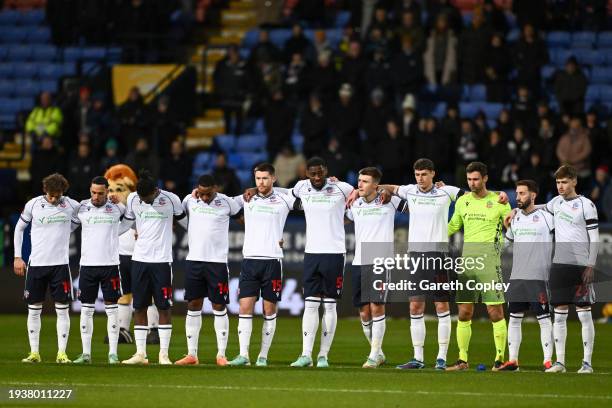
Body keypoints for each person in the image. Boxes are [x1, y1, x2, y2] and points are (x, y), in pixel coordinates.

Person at [376, 159, 508, 370]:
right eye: (417, 174)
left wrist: (499, 193)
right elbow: (390, 187)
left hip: (439, 255)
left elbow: (474, 194)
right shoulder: (410, 191)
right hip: (415, 256)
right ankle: (417, 358)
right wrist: (372, 189)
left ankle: (441, 358)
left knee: (441, 305)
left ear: (433, 174)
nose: (420, 179)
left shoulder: (446, 191)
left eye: (424, 175)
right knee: (415, 305)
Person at [228, 163, 299, 366]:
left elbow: (307, 197)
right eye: (257, 178)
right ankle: (243, 355)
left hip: (272, 260)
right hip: (250, 260)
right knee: (244, 306)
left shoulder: (284, 199)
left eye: (265, 178)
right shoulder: (247, 198)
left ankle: (263, 356)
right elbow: (223, 203)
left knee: (269, 310)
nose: (261, 182)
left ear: (273, 179)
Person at [287, 157, 356, 368]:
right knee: (310, 303)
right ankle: (306, 354)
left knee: (329, 304)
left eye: (320, 173)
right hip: (311, 253)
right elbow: (278, 194)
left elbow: (362, 194)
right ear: (305, 173)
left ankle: (323, 355)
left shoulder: (342, 187)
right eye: (312, 174)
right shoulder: (300, 187)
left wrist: (343, 217)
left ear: (325, 170)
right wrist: (253, 189)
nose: (317, 177)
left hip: (334, 252)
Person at [446, 162, 511, 371]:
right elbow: (453, 226)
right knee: (464, 313)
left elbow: (511, 226)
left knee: (495, 312)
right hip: (468, 263)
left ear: (485, 178)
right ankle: (462, 360)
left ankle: (499, 359)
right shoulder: (463, 202)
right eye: (469, 180)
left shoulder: (500, 201)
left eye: (476, 179)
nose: (472, 183)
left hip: (490, 263)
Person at [174, 175, 241, 366]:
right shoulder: (189, 200)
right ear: (197, 189)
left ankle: (221, 355)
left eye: (208, 194)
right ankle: (191, 355)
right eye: (201, 194)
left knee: (218, 306)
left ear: (216, 188)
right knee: (193, 305)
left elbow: (244, 217)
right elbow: (177, 215)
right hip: (194, 261)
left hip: (217, 263)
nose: (204, 198)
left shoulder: (227, 202)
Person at [345, 167, 408, 368]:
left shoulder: (389, 201)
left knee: (376, 306)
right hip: (359, 261)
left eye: (365, 181)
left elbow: (414, 202)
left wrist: (389, 191)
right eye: (359, 181)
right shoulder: (355, 203)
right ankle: (378, 351)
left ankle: (373, 354)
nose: (360, 184)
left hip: (380, 260)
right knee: (364, 312)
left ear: (375, 184)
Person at [14, 173, 80, 364]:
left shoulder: (71, 204)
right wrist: (18, 257)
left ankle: (62, 353)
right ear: (45, 190)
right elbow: (19, 228)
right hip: (36, 265)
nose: (53, 199)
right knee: (34, 309)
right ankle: (34, 353)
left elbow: (88, 212)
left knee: (62, 310)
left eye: (57, 195)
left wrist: (67, 228)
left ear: (63, 192)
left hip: (60, 265)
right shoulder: (33, 204)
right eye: (51, 195)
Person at [121, 171, 185, 365]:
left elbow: (186, 222)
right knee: (139, 306)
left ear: (156, 191)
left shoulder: (172, 199)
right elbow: (125, 224)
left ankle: (163, 355)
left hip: (162, 262)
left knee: (163, 307)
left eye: (147, 198)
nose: (144, 201)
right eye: (142, 198)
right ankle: (141, 354)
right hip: (139, 260)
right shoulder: (133, 198)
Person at [543, 166, 599, 373]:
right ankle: (560, 363)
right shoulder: (555, 202)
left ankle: (587, 363)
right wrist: (518, 208)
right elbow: (542, 208)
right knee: (559, 315)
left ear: (574, 181)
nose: (560, 186)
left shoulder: (586, 205)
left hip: (580, 265)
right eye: (558, 182)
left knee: (584, 314)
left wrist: (591, 264)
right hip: (559, 265)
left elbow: (594, 238)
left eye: (564, 182)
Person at [71, 176, 132, 364]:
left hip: (110, 266)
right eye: (93, 193)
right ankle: (86, 354)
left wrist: (117, 229)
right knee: (86, 310)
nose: (96, 196)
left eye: (100, 193)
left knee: (112, 311)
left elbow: (130, 219)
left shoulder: (117, 208)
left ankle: (113, 354)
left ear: (107, 191)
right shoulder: (82, 207)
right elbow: (70, 226)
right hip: (87, 267)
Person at [497, 180, 554, 371]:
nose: (518, 197)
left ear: (533, 195)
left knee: (544, 318)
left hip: (538, 275)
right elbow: (508, 243)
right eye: (517, 193)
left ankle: (547, 361)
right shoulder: (517, 218)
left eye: (522, 193)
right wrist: (505, 230)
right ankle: (513, 360)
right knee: (514, 318)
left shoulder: (547, 217)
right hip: (517, 276)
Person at [104, 164, 138, 344]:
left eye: (119, 189)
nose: (113, 193)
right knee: (123, 294)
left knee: (146, 295)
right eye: (109, 189)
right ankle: (123, 329)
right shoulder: (107, 210)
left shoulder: (138, 205)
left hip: (140, 256)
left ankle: (153, 329)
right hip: (118, 257)